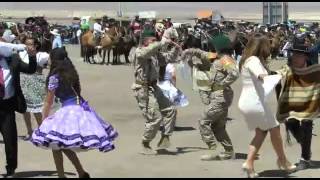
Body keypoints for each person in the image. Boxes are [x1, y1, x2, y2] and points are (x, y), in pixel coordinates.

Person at [30, 47, 118, 178]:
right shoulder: (72, 73)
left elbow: (48, 101)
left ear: (54, 59)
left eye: (50, 57)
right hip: (80, 108)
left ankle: (62, 175)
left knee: (55, 145)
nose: (48, 60)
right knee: (61, 145)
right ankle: (81, 173)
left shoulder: (54, 77)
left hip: (68, 111)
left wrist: (43, 120)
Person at [238, 33, 296, 178]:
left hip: (248, 102)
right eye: (267, 44)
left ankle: (250, 164)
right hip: (255, 103)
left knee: (262, 132)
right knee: (273, 129)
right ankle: (282, 161)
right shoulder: (253, 60)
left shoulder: (247, 60)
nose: (269, 47)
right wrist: (278, 76)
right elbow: (261, 76)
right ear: (260, 46)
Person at [181, 34, 239, 161]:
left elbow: (235, 73)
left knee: (204, 122)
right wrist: (189, 51)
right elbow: (202, 53)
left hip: (220, 97)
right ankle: (228, 151)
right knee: (218, 126)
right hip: (218, 96)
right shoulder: (219, 57)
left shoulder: (225, 59)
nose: (212, 48)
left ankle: (214, 149)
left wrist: (223, 83)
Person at [131, 28, 180, 155]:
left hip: (154, 86)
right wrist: (161, 42)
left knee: (171, 110)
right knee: (155, 118)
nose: (155, 42)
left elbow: (168, 58)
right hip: (143, 88)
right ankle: (145, 142)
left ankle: (165, 137)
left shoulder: (155, 54)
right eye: (153, 41)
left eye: (156, 40)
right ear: (145, 41)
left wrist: (175, 47)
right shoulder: (139, 51)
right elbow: (145, 53)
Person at [276, 36, 320, 170]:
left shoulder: (314, 70)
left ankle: (304, 159)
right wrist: (267, 76)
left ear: (305, 57)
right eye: (293, 54)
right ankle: (305, 146)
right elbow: (278, 74)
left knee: (306, 125)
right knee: (290, 124)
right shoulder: (289, 67)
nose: (295, 57)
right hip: (293, 104)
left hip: (309, 105)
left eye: (298, 55)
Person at [0, 40, 36, 178]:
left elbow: (30, 69)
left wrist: (32, 56)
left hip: (7, 106)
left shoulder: (13, 59)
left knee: (10, 141)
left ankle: (11, 169)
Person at [19, 36, 49, 140]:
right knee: (25, 110)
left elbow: (52, 61)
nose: (28, 46)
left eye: (30, 44)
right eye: (26, 44)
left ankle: (42, 130)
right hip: (23, 85)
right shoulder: (21, 54)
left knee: (37, 110)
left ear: (36, 45)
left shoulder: (42, 55)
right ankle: (29, 131)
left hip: (36, 86)